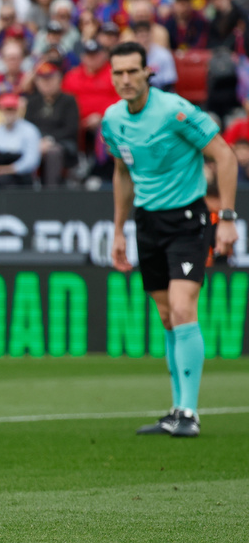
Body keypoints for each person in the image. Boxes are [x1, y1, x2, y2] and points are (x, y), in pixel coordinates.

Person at [102, 42, 239, 438]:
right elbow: (122, 174)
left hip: (188, 219)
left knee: (182, 309)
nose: (125, 79)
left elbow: (224, 155)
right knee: (166, 317)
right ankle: (177, 409)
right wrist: (118, 231)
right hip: (147, 223)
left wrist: (227, 218)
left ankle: (190, 413)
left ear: (148, 72)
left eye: (132, 71)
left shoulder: (174, 110)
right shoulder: (112, 119)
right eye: (118, 73)